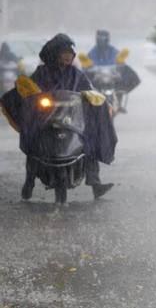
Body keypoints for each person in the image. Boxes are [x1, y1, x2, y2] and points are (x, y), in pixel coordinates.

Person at [0, 33, 116, 200]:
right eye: (64, 52)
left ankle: (95, 183)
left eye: (71, 52)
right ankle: (29, 182)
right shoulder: (41, 73)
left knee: (88, 141)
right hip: (45, 122)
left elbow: (89, 90)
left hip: (72, 121)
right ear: (55, 54)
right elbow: (30, 93)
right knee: (33, 143)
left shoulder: (76, 74)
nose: (69, 55)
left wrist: (93, 97)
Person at [86, 30, 140, 113]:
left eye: (104, 39)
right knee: (86, 84)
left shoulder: (113, 51)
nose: (102, 41)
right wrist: (88, 68)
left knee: (127, 79)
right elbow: (87, 65)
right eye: (100, 38)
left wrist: (120, 67)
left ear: (107, 39)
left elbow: (120, 63)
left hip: (112, 77)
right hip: (98, 78)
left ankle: (119, 102)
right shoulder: (92, 52)